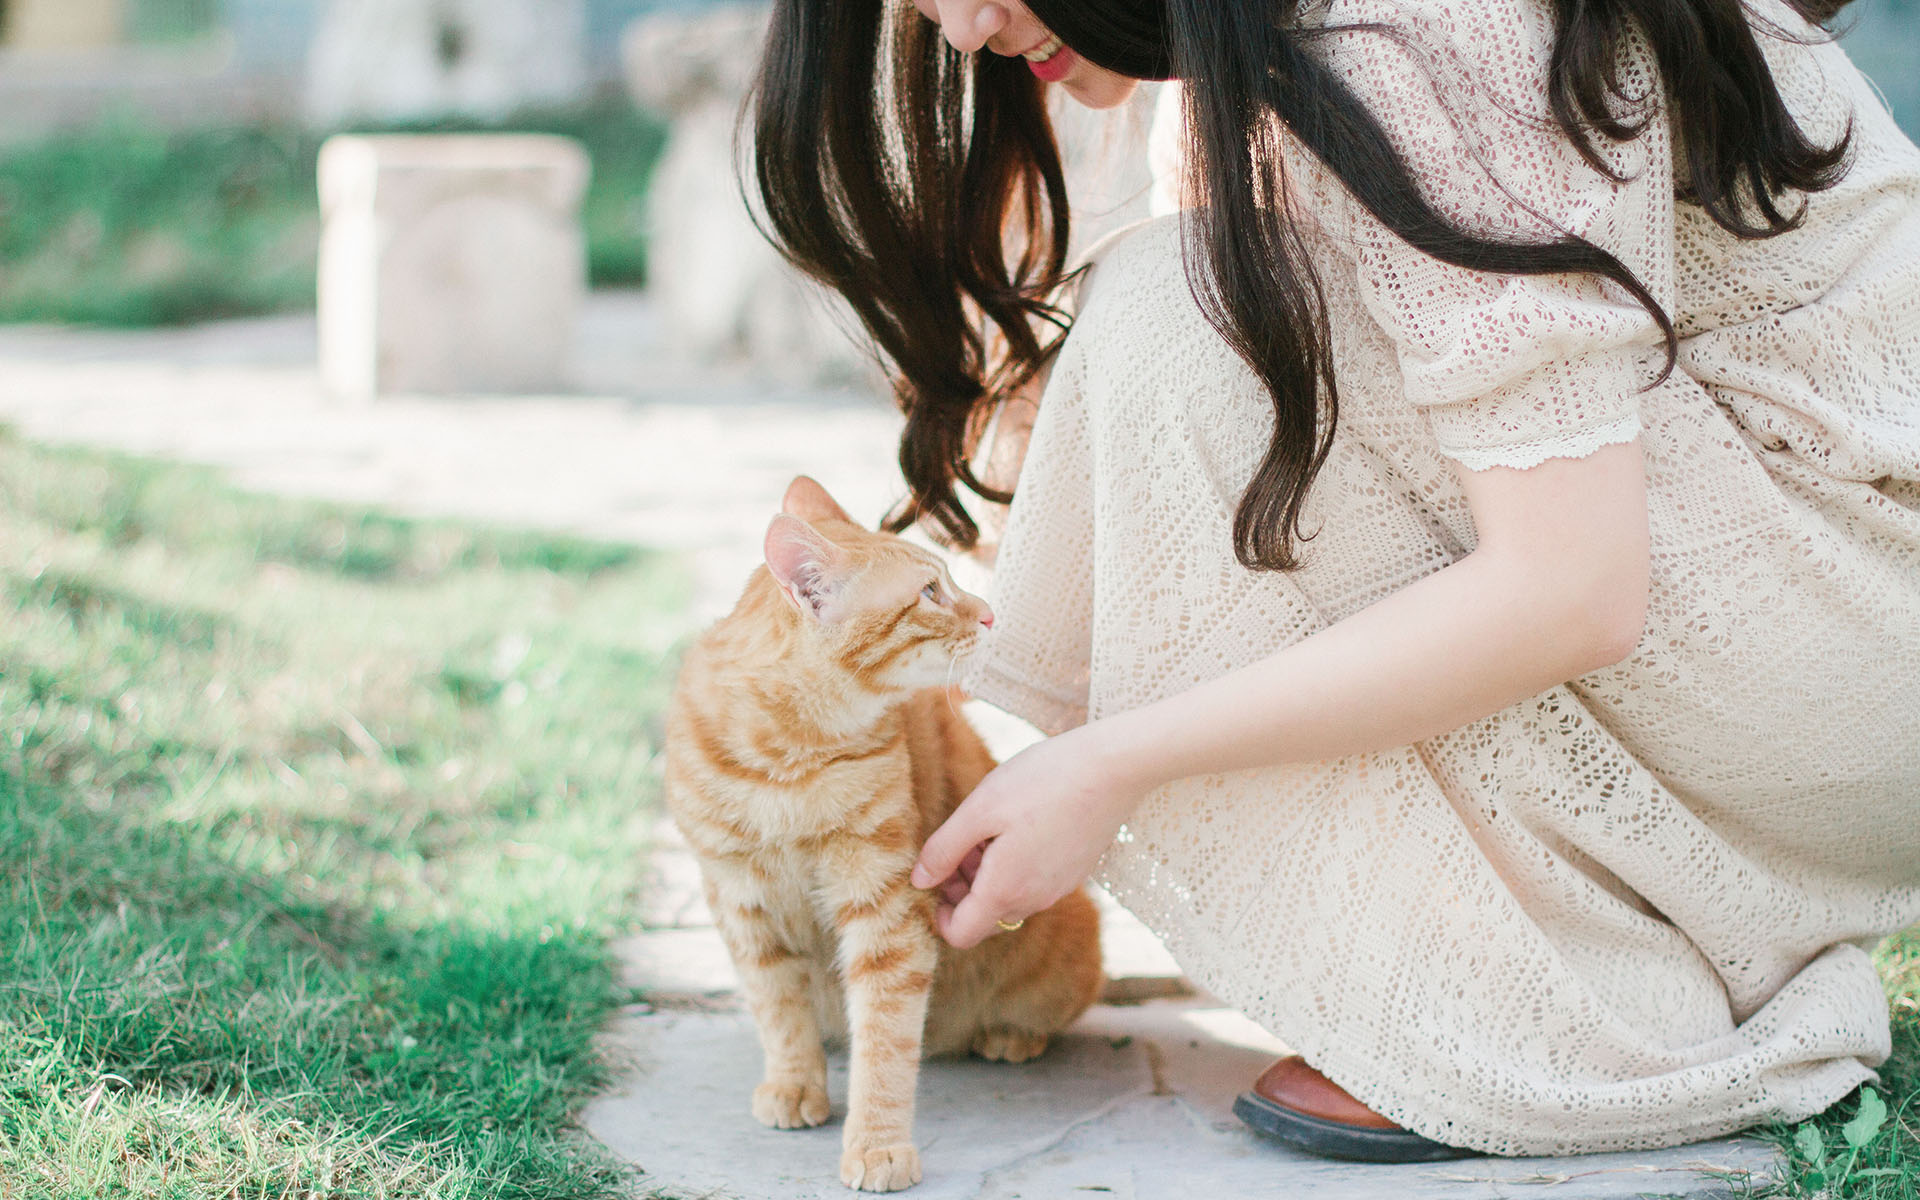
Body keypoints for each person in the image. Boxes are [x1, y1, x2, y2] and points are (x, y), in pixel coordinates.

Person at [748, 0, 1920, 1162]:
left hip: (1863, 646)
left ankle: (1561, 1003)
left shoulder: (1428, 26)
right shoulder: (1240, 51)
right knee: (1195, 322)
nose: (958, 30)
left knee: (1186, 326)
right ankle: (1595, 924)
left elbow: (1573, 587)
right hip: (1800, 622)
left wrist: (1112, 761)